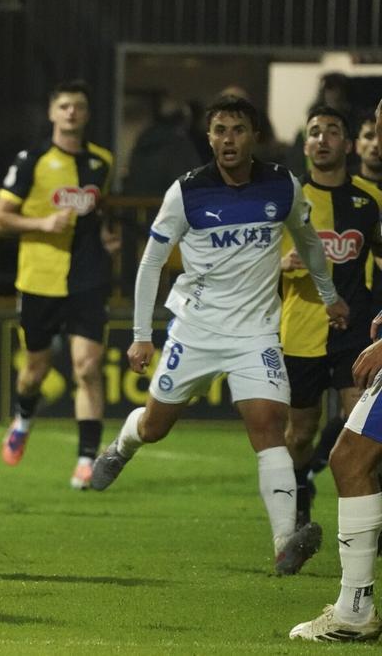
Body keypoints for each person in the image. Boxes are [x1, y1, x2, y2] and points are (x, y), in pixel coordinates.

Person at [91, 96, 350, 577]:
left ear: (254, 136)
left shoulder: (283, 185)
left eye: (237, 130)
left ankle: (283, 542)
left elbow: (310, 242)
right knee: (156, 426)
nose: (227, 140)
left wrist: (329, 294)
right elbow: (150, 262)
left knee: (269, 426)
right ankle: (122, 446)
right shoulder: (187, 192)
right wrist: (141, 334)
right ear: (208, 138)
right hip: (197, 329)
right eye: (219, 131)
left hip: (256, 333)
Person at [289, 96, 382, 645]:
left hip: (352, 336)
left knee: (349, 457)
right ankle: (353, 607)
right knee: (346, 454)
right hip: (301, 334)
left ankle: (354, 612)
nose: (377, 135)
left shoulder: (369, 199)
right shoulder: (293, 196)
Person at [0, 79, 115, 489]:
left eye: (78, 106)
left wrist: (106, 239)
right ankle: (24, 417)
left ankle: (86, 459)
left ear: (87, 113)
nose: (71, 113)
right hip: (41, 278)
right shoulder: (33, 160)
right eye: (64, 106)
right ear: (52, 112)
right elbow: (0, 218)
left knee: (88, 366)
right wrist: (42, 223)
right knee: (35, 371)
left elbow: (99, 214)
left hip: (88, 278)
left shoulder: (101, 162)